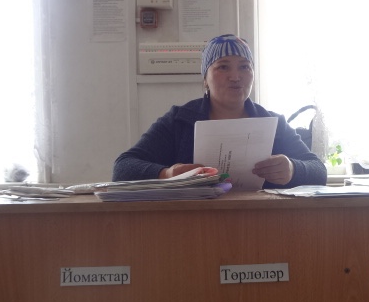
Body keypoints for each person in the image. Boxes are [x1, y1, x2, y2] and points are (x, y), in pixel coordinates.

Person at [112, 34, 327, 189]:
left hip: (261, 222)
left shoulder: (272, 122)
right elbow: (123, 168)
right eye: (223, 67)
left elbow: (318, 170)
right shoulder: (179, 120)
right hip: (193, 224)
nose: (235, 77)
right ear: (205, 78)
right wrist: (166, 174)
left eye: (244, 67)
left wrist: (292, 169)